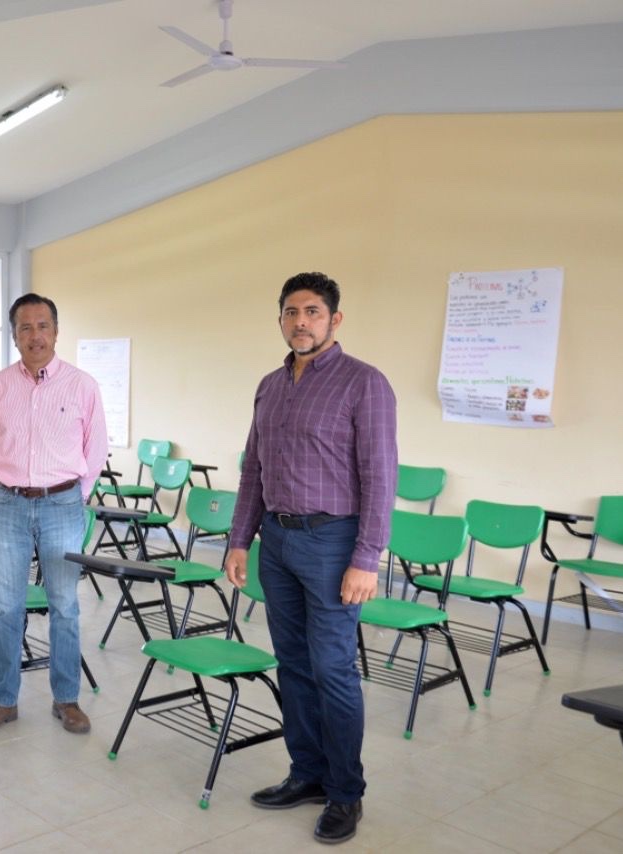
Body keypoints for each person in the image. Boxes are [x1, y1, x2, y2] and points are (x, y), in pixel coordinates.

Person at [223, 272, 397, 845]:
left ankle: (345, 792)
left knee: (333, 669)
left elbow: (380, 477)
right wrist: (239, 539)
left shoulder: (364, 383)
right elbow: (253, 470)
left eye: (313, 312)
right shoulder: (270, 385)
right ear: (280, 319)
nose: (301, 322)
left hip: (333, 544)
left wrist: (366, 557)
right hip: (276, 541)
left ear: (334, 320)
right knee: (293, 664)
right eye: (292, 312)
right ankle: (308, 774)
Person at [0, 293, 108, 736]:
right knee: (6, 607)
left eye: (43, 326)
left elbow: (96, 449)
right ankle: (2, 701)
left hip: (62, 503)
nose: (35, 336)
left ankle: (67, 699)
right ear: (14, 335)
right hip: (9, 504)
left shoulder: (82, 385)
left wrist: (73, 496)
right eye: (25, 328)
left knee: (64, 605)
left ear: (56, 331)